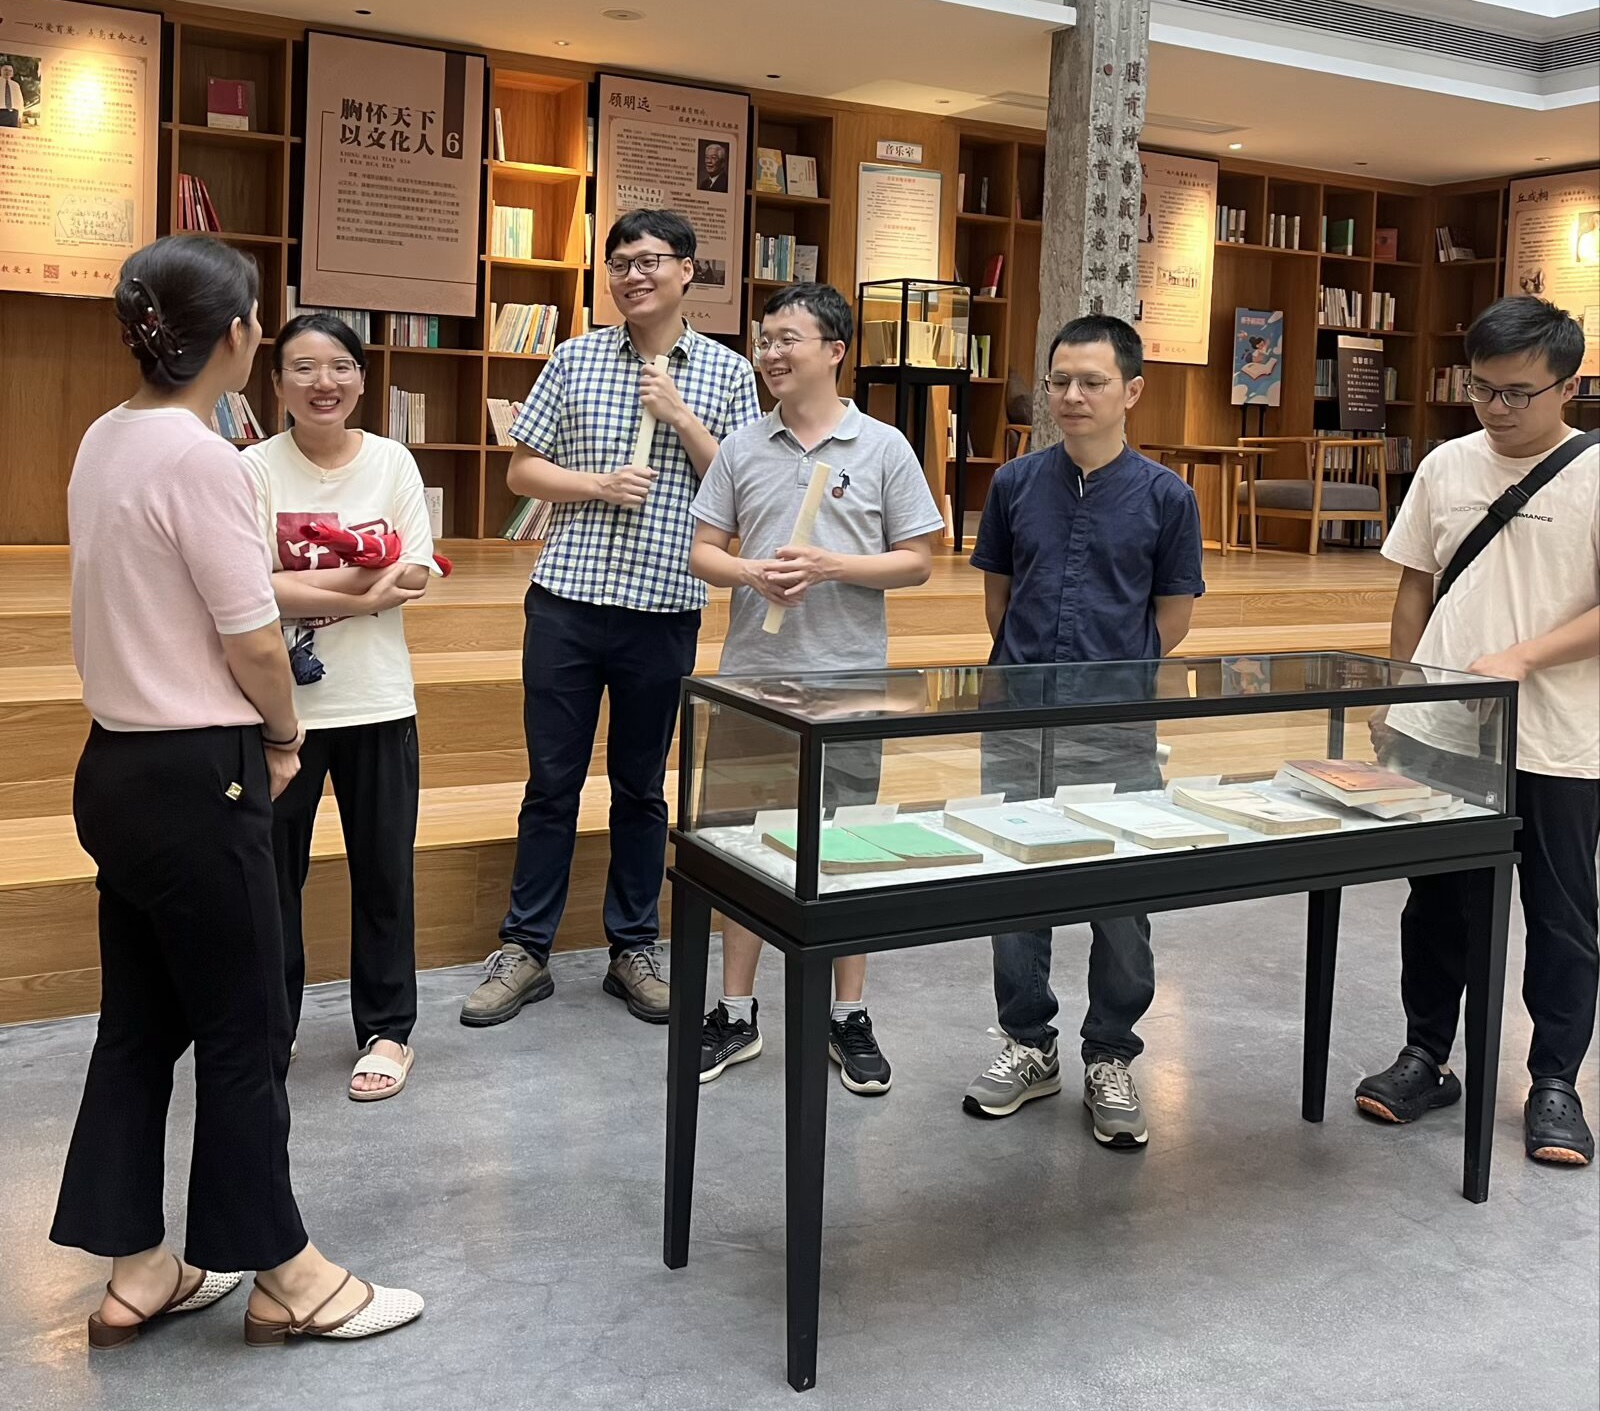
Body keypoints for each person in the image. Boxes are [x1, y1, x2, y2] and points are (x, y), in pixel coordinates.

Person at [50, 235, 421, 1348]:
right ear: (237, 335)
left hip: (114, 766)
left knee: (137, 1024)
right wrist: (284, 735)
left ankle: (138, 1267)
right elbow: (253, 636)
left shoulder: (103, 438)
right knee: (244, 1026)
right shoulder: (208, 459)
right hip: (196, 769)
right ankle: (288, 1274)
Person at [459, 209, 760, 1028]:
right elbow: (522, 470)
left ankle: (633, 947)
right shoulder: (575, 357)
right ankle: (525, 948)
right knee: (551, 783)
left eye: (650, 260)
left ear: (687, 269)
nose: (634, 275)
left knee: (640, 786)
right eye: (621, 262)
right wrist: (596, 484)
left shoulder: (729, 373)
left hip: (663, 606)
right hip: (566, 599)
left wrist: (681, 417)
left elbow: (742, 491)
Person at [1355, 295, 1599, 1167]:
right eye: (1482, 388)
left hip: (1560, 738)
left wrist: (1524, 657)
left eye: (1517, 393)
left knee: (1561, 913)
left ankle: (1556, 1082)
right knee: (1437, 903)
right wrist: (1398, 695)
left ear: (1568, 385)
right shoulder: (1447, 465)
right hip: (1443, 731)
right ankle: (1426, 1055)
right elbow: (1415, 586)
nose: (1496, 408)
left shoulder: (1594, 474)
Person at [687, 282, 945, 1092]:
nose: (770, 352)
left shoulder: (883, 447)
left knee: (846, 847)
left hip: (850, 685)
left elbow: (918, 560)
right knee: (742, 845)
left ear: (835, 350)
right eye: (764, 339)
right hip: (753, 682)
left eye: (786, 338)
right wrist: (750, 574)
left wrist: (833, 565)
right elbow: (704, 552)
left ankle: (848, 1015)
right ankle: (735, 1011)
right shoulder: (741, 446)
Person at [961, 314, 1204, 1147]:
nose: (1071, 395)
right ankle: (1029, 1043)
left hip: (1117, 724)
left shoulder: (1169, 497)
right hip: (1017, 719)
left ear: (1131, 390)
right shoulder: (1014, 483)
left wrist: (1108, 676)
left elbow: (1173, 617)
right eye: (1060, 380)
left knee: (1121, 896)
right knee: (1015, 886)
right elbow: (998, 599)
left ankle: (1111, 1052)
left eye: (1091, 381)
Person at [241, 313, 442, 1102]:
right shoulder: (254, 468)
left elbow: (416, 572)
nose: (323, 382)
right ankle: (271, 1025)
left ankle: (388, 1029)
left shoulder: (392, 461)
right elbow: (245, 585)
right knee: (270, 881)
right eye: (303, 367)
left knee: (385, 874)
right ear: (276, 382)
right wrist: (364, 588)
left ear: (362, 379)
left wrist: (297, 589)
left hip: (378, 703)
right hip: (278, 710)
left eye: (340, 367)